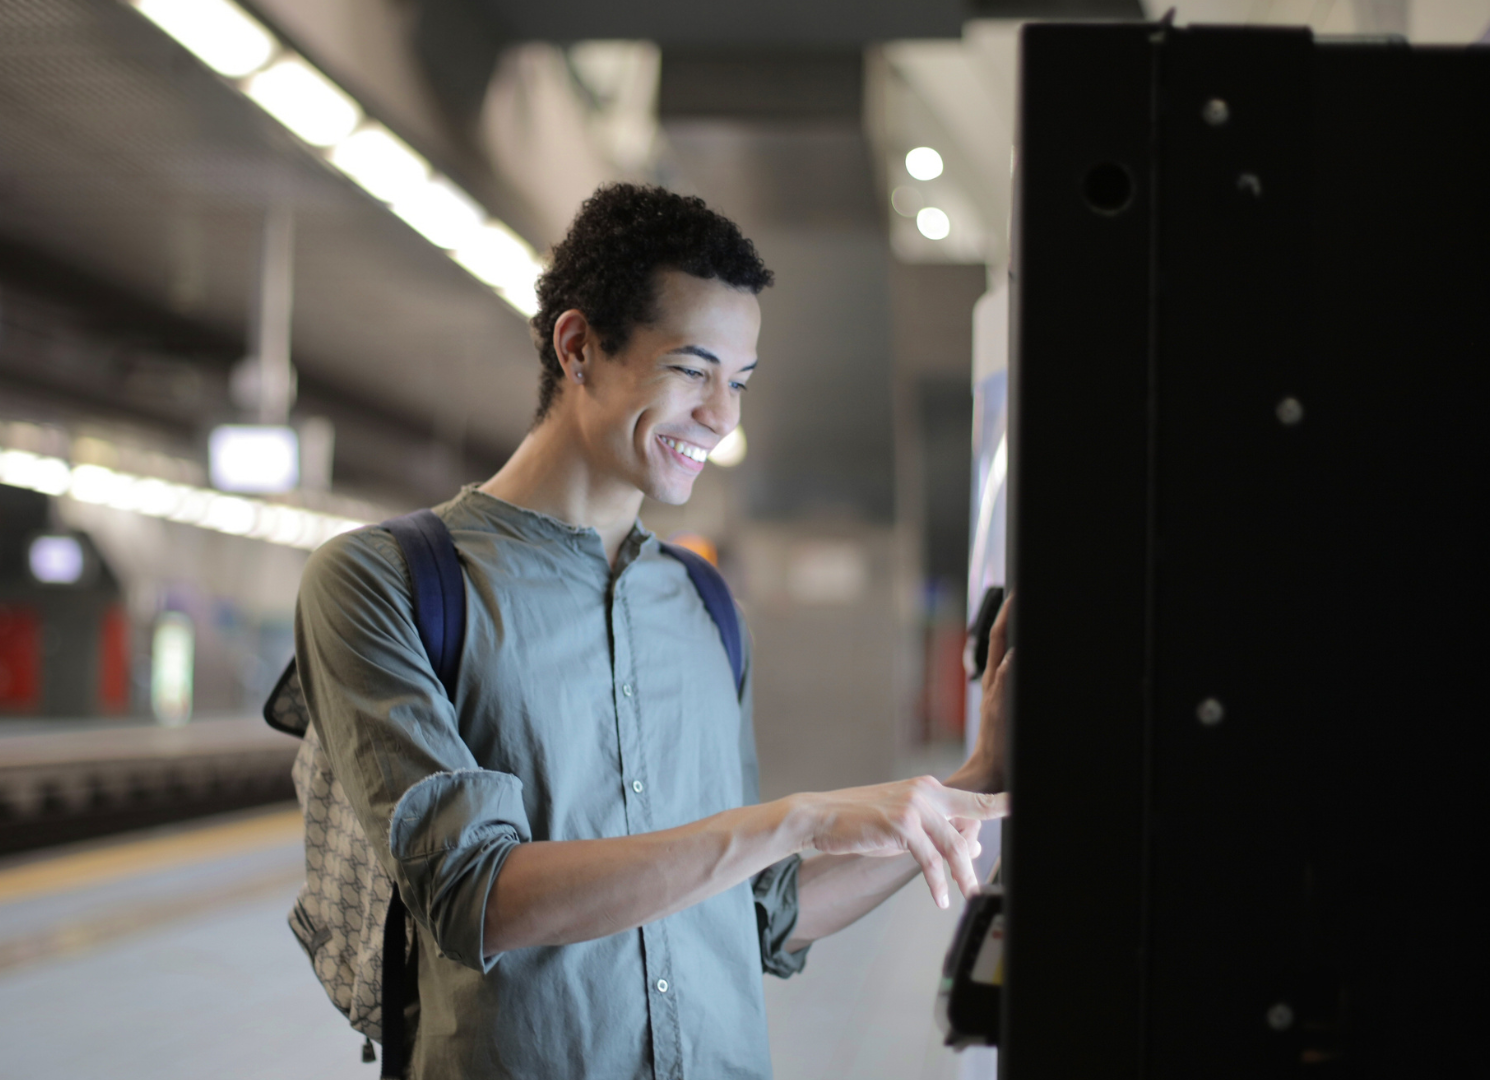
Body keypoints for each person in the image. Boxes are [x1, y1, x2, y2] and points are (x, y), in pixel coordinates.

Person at [294, 184, 1012, 1080]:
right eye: (691, 369)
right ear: (579, 346)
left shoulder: (703, 603)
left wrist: (975, 781)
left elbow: (759, 916)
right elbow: (475, 896)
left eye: (740, 383)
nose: (723, 416)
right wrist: (799, 820)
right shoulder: (387, 582)